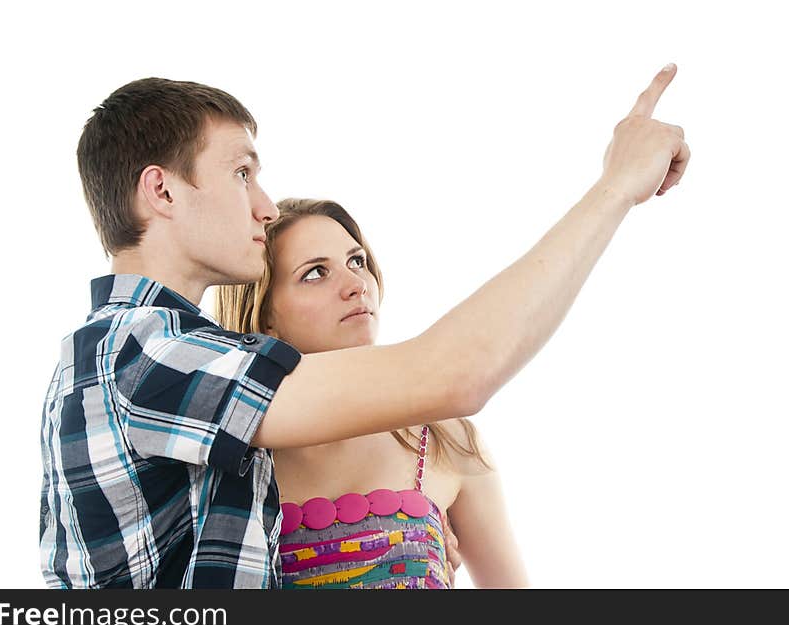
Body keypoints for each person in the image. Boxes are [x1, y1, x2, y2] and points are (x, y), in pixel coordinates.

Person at [39, 66, 690, 588]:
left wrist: (412, 547)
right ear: (162, 191)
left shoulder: (170, 365)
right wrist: (615, 188)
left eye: (355, 261)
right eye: (242, 173)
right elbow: (454, 372)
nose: (263, 207)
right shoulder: (143, 354)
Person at [215, 198, 529, 588]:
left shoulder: (446, 438)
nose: (356, 286)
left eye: (357, 261)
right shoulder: (227, 454)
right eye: (315, 273)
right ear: (266, 317)